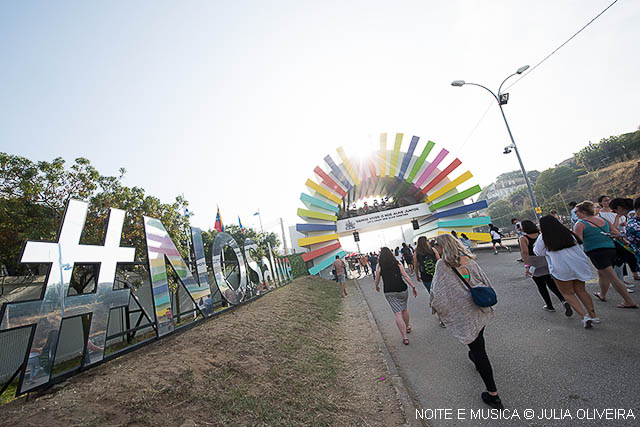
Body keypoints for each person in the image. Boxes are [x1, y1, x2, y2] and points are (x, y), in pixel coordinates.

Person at [430, 234, 503, 409]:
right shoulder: (468, 259)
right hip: (479, 309)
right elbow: (484, 280)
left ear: (442, 247)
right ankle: (476, 360)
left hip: (464, 313)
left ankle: (493, 395)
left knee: (478, 351)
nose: (436, 250)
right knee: (478, 343)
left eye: (437, 247)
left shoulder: (442, 265)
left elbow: (437, 293)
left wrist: (436, 307)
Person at [534, 215, 598, 328]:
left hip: (560, 266)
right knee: (581, 290)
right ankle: (593, 315)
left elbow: (538, 252)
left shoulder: (543, 237)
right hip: (578, 264)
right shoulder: (568, 233)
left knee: (567, 293)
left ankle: (584, 317)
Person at [573, 201, 637, 308]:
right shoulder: (603, 219)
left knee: (613, 277)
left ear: (583, 211)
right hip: (610, 249)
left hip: (596, 252)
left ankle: (629, 301)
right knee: (602, 274)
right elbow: (615, 232)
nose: (575, 214)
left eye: (576, 211)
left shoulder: (580, 224)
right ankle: (602, 294)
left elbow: (578, 241)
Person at [518, 220, 572, 314]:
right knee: (552, 284)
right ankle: (564, 301)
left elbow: (525, 253)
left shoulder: (523, 238)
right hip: (546, 260)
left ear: (524, 228)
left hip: (534, 263)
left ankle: (549, 305)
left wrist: (527, 266)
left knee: (541, 285)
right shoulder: (541, 234)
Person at [374, 247, 418, 345]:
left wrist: (376, 286)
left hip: (389, 291)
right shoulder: (398, 263)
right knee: (404, 309)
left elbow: (377, 277)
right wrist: (413, 287)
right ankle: (407, 326)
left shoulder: (379, 265)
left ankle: (404, 337)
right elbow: (405, 276)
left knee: (397, 313)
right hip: (402, 288)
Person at [609, 197, 640, 281]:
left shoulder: (631, 218)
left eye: (615, 211)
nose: (616, 213)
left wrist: (622, 235)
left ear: (619, 208)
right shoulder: (632, 220)